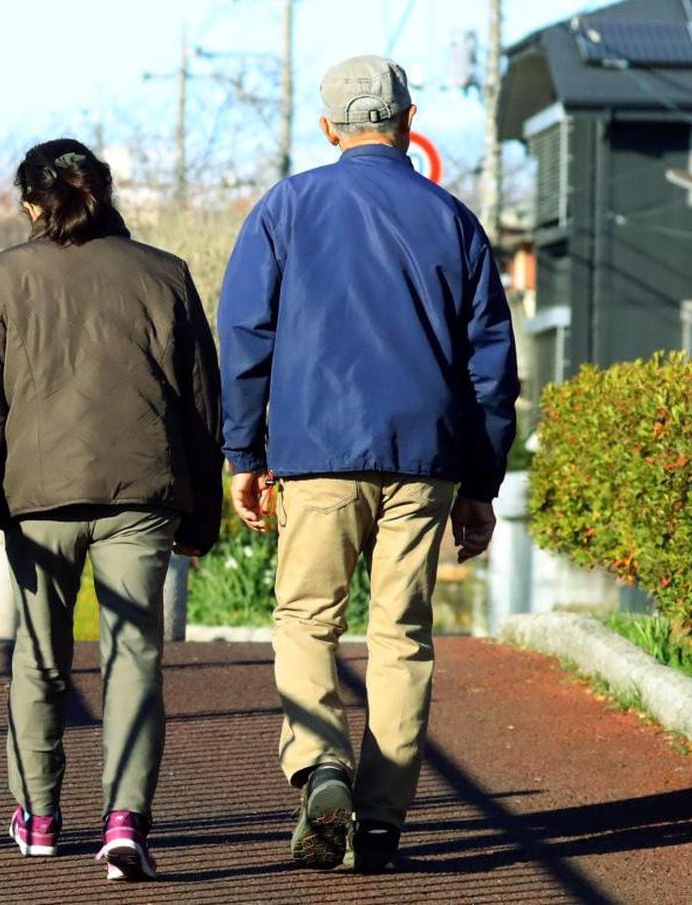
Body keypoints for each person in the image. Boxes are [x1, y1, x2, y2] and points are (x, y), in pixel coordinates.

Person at [218, 55, 518, 873]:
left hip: (315, 454)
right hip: (425, 458)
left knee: (307, 618)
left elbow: (245, 337)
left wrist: (243, 451)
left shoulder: (286, 209)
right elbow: (490, 364)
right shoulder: (452, 220)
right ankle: (383, 820)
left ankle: (321, 768)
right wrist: (483, 482)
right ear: (407, 119)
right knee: (402, 636)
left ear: (330, 128)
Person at [0, 138, 223, 882]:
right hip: (144, 493)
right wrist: (202, 513)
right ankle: (124, 818)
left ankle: (37, 815)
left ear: (33, 203)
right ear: (104, 193)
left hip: (41, 499)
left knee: (39, 656)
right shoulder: (165, 275)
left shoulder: (5, 277)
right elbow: (201, 406)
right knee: (135, 657)